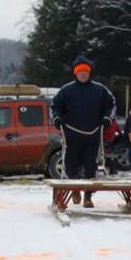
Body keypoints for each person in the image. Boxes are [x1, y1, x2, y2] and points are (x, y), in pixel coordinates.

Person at [51, 55, 116, 208]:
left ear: (89, 73)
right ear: (75, 73)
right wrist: (56, 118)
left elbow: (111, 104)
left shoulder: (100, 90)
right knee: (71, 165)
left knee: (90, 167)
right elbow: (55, 106)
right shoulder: (66, 90)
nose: (83, 74)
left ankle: (88, 196)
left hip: (92, 136)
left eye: (86, 72)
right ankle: (74, 190)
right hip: (71, 135)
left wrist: (107, 118)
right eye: (80, 72)